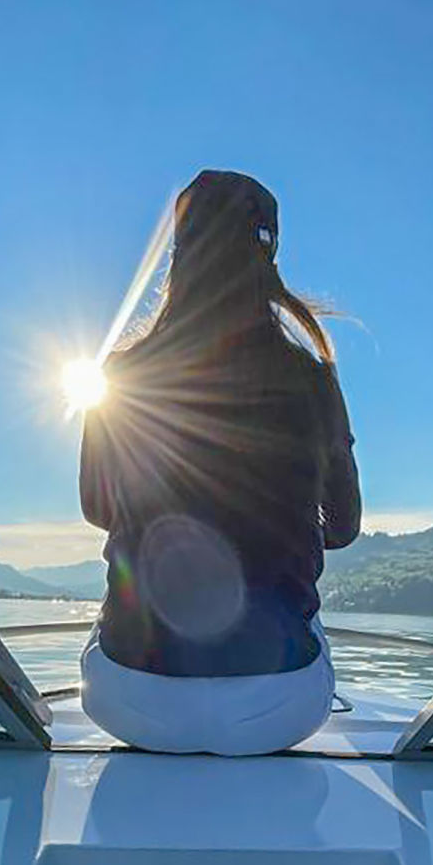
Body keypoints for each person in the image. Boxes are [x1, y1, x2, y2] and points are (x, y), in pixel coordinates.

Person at [78, 169, 361, 755]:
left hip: (129, 700)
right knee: (301, 621)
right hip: (278, 706)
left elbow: (98, 509)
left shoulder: (123, 374)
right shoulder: (311, 379)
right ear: (270, 254)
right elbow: (344, 529)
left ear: (178, 253)